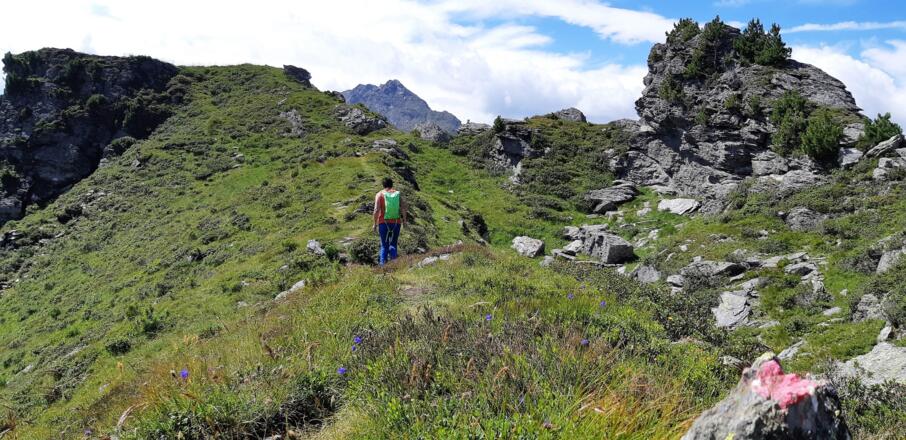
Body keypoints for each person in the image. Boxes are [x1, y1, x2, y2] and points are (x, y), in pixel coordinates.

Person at [372, 177, 406, 265]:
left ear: (383, 185)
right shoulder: (398, 194)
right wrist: (404, 221)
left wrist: (375, 224)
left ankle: (383, 267)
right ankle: (394, 265)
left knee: (384, 245)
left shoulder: (379, 194)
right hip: (396, 223)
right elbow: (404, 207)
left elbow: (376, 210)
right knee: (393, 244)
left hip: (383, 223)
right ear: (392, 185)